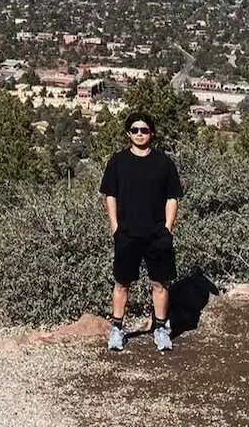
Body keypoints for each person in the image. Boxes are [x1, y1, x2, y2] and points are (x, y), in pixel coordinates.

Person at [99, 112, 183, 353]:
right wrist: (115, 226)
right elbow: (110, 195)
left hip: (157, 233)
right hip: (127, 233)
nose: (139, 134)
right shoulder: (118, 161)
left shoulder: (164, 163)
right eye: (134, 130)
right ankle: (117, 328)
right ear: (128, 133)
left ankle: (160, 329)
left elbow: (172, 197)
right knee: (122, 283)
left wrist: (168, 228)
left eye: (144, 130)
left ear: (152, 133)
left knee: (160, 283)